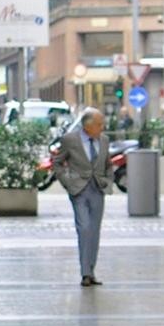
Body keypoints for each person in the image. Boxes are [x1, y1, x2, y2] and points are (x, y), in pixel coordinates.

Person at [53, 107, 113, 287]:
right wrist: (67, 182)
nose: (102, 127)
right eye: (99, 124)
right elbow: (57, 163)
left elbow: (108, 164)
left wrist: (108, 181)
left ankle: (91, 271)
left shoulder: (104, 140)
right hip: (78, 190)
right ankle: (85, 272)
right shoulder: (70, 140)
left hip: (98, 189)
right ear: (88, 126)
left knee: (94, 231)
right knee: (84, 228)